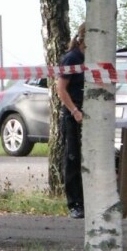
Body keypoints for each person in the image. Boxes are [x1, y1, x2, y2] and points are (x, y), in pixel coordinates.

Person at [56, 23, 85, 219]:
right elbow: (61, 90)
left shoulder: (92, 58)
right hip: (73, 115)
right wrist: (74, 111)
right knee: (73, 158)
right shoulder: (72, 58)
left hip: (90, 114)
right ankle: (74, 203)